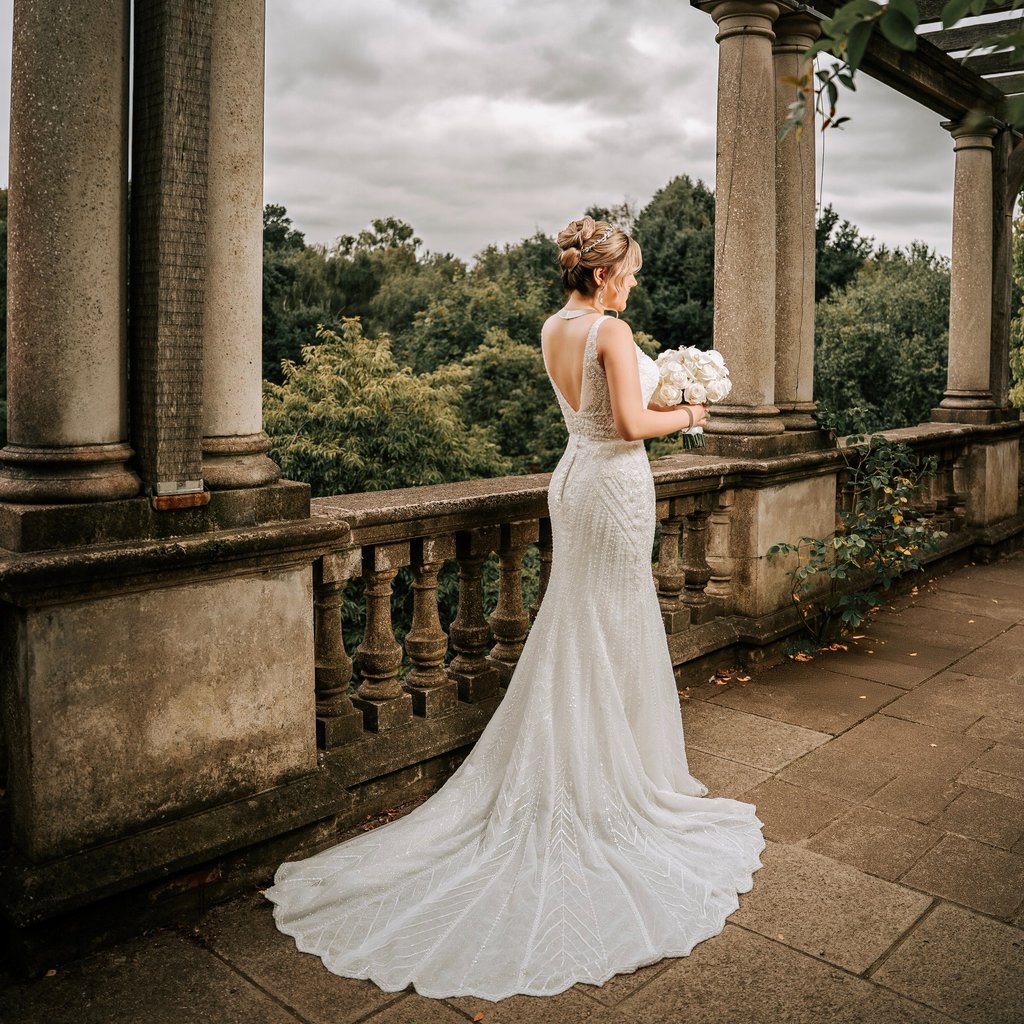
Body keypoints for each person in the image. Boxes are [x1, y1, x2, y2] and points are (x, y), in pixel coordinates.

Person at [263, 216, 766, 1000]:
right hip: (614, 482)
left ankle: (606, 755)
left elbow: (591, 416)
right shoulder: (607, 327)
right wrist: (691, 414)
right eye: (628, 272)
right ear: (602, 277)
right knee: (609, 623)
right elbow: (632, 425)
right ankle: (607, 782)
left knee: (584, 622)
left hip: (573, 477)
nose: (633, 283)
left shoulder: (552, 325)